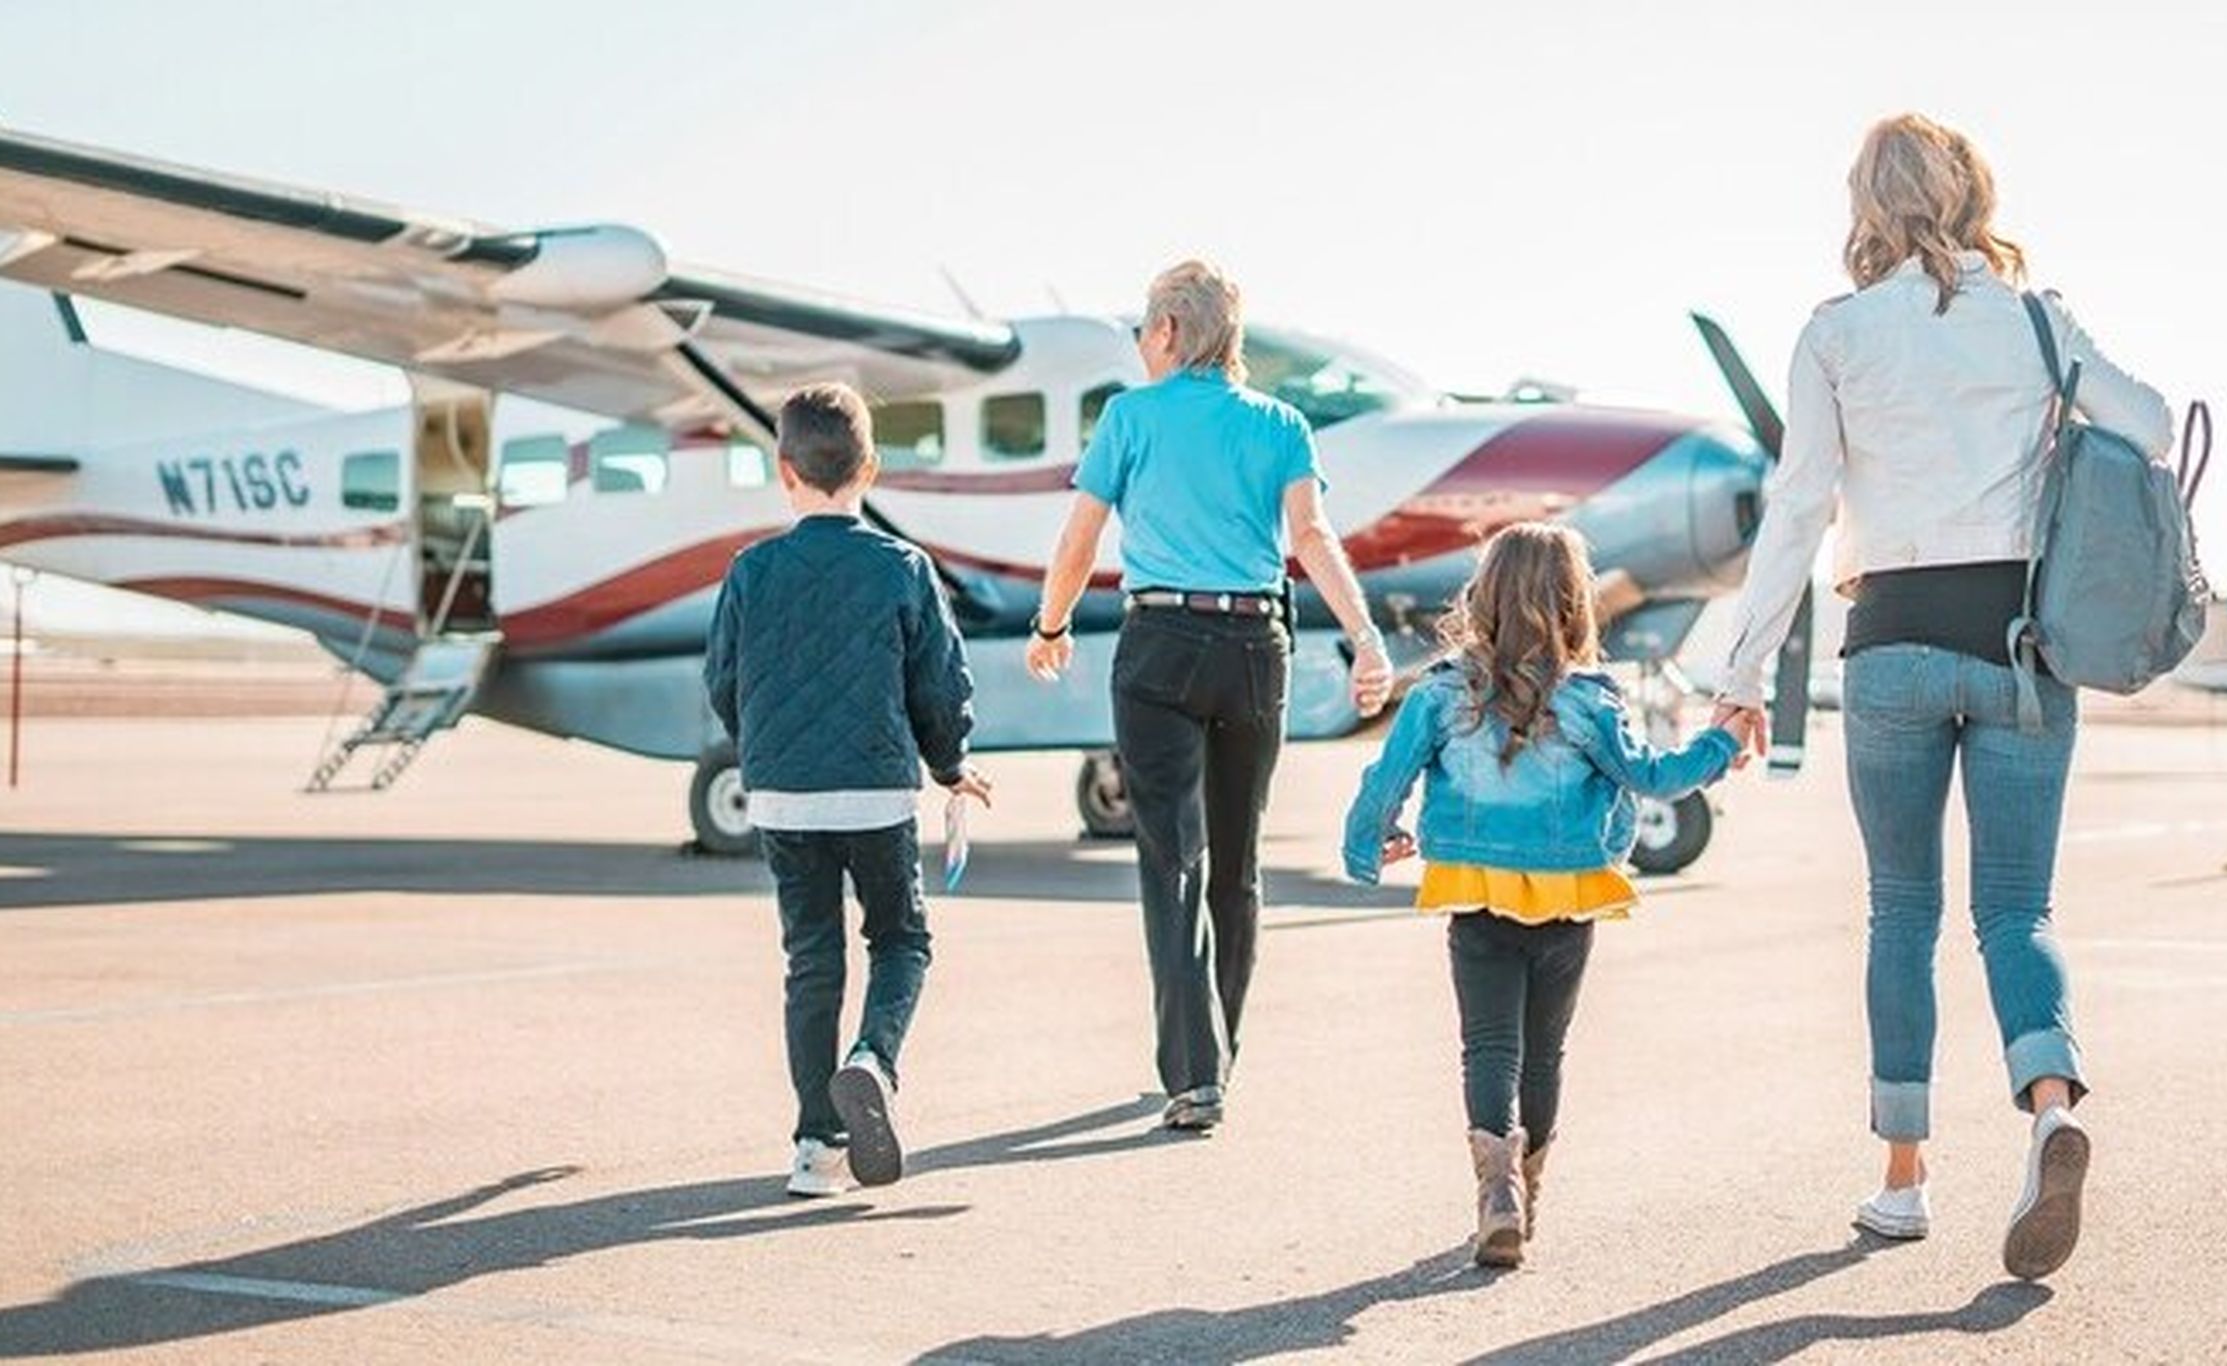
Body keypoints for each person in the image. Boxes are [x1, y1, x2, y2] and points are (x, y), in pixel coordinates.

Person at [1713, 114, 2172, 1280]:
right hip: (2022, 643)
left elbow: (1799, 505)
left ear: (1865, 205)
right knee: (2015, 907)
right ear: (1972, 194)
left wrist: (1743, 672)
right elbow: (2155, 428)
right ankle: (2050, 1107)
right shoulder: (2033, 319)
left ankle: (1901, 1181)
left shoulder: (1834, 336)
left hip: (1892, 644)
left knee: (1900, 913)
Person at [1027, 260, 1393, 1132]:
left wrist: (1051, 625)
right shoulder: (1281, 424)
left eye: (1143, 335)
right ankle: (1219, 1049)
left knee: (1173, 858)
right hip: (1254, 645)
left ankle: (1196, 1071)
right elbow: (1310, 535)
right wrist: (1366, 637)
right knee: (1238, 862)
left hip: (1159, 646)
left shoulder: (1130, 417)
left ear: (1167, 333)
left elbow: (1080, 537)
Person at [1343, 523, 1746, 1268]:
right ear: (1573, 603)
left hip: (1475, 890)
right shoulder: (1590, 697)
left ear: (1483, 595)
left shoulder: (1438, 692)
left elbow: (1385, 778)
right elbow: (1652, 776)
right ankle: (1529, 1193)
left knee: (1489, 1044)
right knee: (1545, 1052)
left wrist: (1369, 844)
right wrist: (1722, 742)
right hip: (1569, 893)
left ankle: (1496, 1193)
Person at [705, 382, 991, 1198]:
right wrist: (950, 764)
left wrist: (764, 750)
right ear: (870, 468)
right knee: (901, 940)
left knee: (812, 959)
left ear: (784, 471)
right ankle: (873, 1060)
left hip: (782, 796)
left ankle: (814, 1147)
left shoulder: (749, 572)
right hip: (875, 793)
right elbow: (938, 684)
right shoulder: (902, 567)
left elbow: (723, 680)